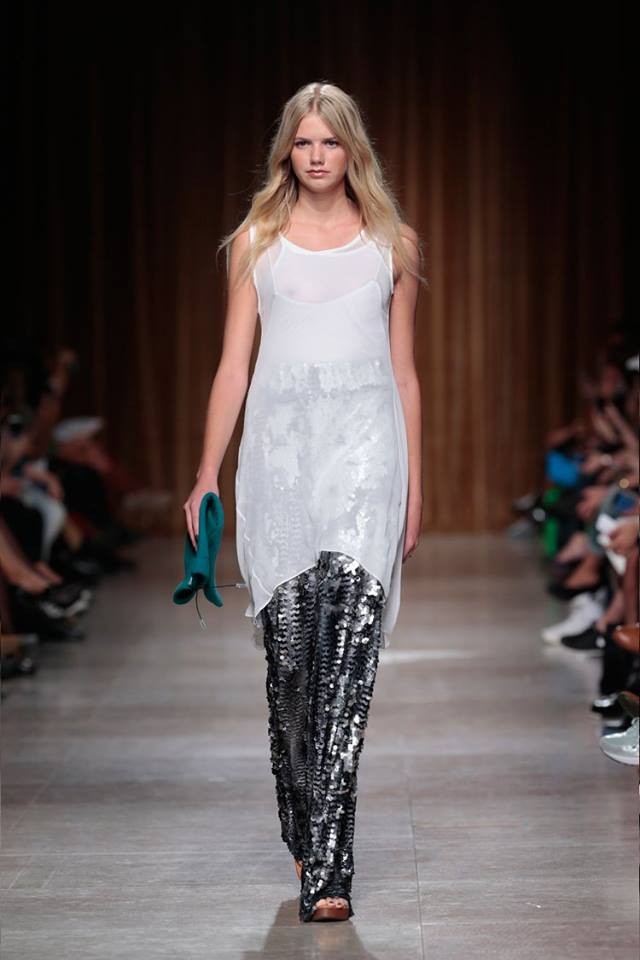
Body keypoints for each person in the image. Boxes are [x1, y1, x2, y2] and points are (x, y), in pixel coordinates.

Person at [184, 80, 424, 922]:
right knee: (289, 669)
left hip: (366, 460)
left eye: (331, 141)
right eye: (303, 142)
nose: (318, 156)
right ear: (287, 151)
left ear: (353, 149)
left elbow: (404, 374)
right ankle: (303, 819)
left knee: (347, 667)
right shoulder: (256, 243)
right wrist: (206, 473)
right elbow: (233, 367)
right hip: (280, 464)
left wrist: (415, 486)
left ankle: (329, 869)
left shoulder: (393, 244)